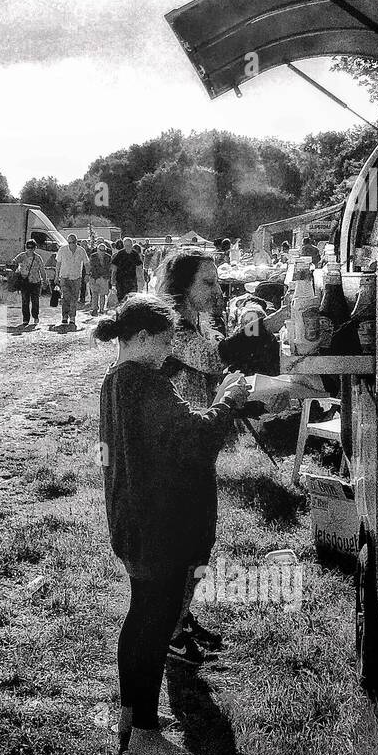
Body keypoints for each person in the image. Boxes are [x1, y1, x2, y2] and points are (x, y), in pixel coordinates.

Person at [95, 293, 250, 755]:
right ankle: (143, 735)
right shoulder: (143, 383)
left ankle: (133, 715)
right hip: (160, 524)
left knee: (141, 617)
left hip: (134, 519)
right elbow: (197, 440)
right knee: (154, 623)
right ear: (141, 338)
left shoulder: (116, 379)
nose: (170, 352)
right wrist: (227, 402)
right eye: (164, 342)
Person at [160, 252, 231, 663]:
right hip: (183, 452)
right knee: (191, 544)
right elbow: (211, 383)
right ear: (183, 287)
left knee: (194, 544)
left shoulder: (186, 328)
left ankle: (181, 616)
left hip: (188, 447)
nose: (218, 291)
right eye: (208, 283)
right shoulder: (185, 338)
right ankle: (171, 631)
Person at [11, 239, 48, 329]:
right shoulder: (22, 256)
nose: (30, 249)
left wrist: (45, 280)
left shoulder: (38, 257)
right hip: (25, 281)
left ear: (35, 248)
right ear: (25, 247)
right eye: (28, 247)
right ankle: (26, 319)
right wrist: (16, 268)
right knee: (25, 301)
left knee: (35, 301)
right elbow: (13, 262)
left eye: (32, 247)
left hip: (36, 282)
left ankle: (35, 316)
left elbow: (42, 270)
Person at [54, 233, 89, 329]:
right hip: (64, 277)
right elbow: (58, 263)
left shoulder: (81, 251)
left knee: (74, 298)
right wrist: (56, 276)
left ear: (76, 242)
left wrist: (87, 274)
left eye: (73, 242)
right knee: (65, 297)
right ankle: (64, 317)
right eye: (69, 242)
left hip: (76, 277)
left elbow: (86, 263)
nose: (71, 244)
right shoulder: (62, 250)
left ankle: (72, 317)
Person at [111, 236, 142, 304]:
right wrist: (112, 279)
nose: (128, 247)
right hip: (120, 280)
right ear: (124, 245)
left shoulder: (135, 254)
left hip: (132, 280)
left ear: (132, 245)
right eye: (126, 245)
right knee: (121, 298)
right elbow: (114, 267)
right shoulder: (120, 254)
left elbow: (139, 266)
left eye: (129, 245)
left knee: (132, 299)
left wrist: (141, 278)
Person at [88, 240, 113, 314]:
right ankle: (94, 309)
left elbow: (109, 268)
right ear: (97, 250)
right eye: (101, 250)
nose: (102, 252)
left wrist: (107, 277)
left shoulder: (108, 257)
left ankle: (102, 309)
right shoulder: (93, 256)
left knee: (102, 294)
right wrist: (95, 278)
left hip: (104, 278)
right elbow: (92, 267)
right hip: (95, 277)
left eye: (104, 250)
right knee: (95, 294)